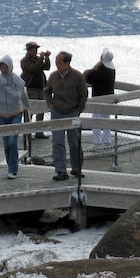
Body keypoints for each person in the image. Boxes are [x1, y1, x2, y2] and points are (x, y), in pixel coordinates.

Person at [44, 51, 88, 181]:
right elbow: (47, 91)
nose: (57, 64)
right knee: (57, 142)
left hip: (72, 112)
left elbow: (83, 94)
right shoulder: (53, 76)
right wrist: (50, 104)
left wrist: (79, 109)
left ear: (67, 63)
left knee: (74, 142)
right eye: (56, 62)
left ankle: (76, 168)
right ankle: (60, 170)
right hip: (57, 112)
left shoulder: (77, 76)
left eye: (59, 62)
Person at [0, 55, 30, 179]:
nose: (3, 70)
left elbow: (23, 94)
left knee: (12, 141)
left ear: (10, 67)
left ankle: (13, 169)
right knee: (6, 143)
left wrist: (27, 108)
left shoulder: (16, 79)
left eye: (5, 67)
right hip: (2, 114)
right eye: (1, 67)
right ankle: (10, 166)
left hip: (16, 113)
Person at [83, 47, 116, 145]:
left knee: (96, 120)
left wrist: (94, 67)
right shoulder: (111, 70)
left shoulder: (101, 71)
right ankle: (107, 141)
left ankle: (97, 142)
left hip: (99, 98)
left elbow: (87, 77)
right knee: (106, 120)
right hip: (109, 98)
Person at [20, 41, 51, 139]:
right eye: (34, 49)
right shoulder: (24, 61)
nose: (36, 51)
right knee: (30, 111)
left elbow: (46, 67)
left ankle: (39, 131)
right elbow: (33, 69)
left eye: (36, 49)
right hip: (31, 88)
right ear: (29, 50)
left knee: (40, 110)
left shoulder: (37, 59)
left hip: (40, 88)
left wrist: (46, 58)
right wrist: (41, 58)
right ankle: (27, 132)